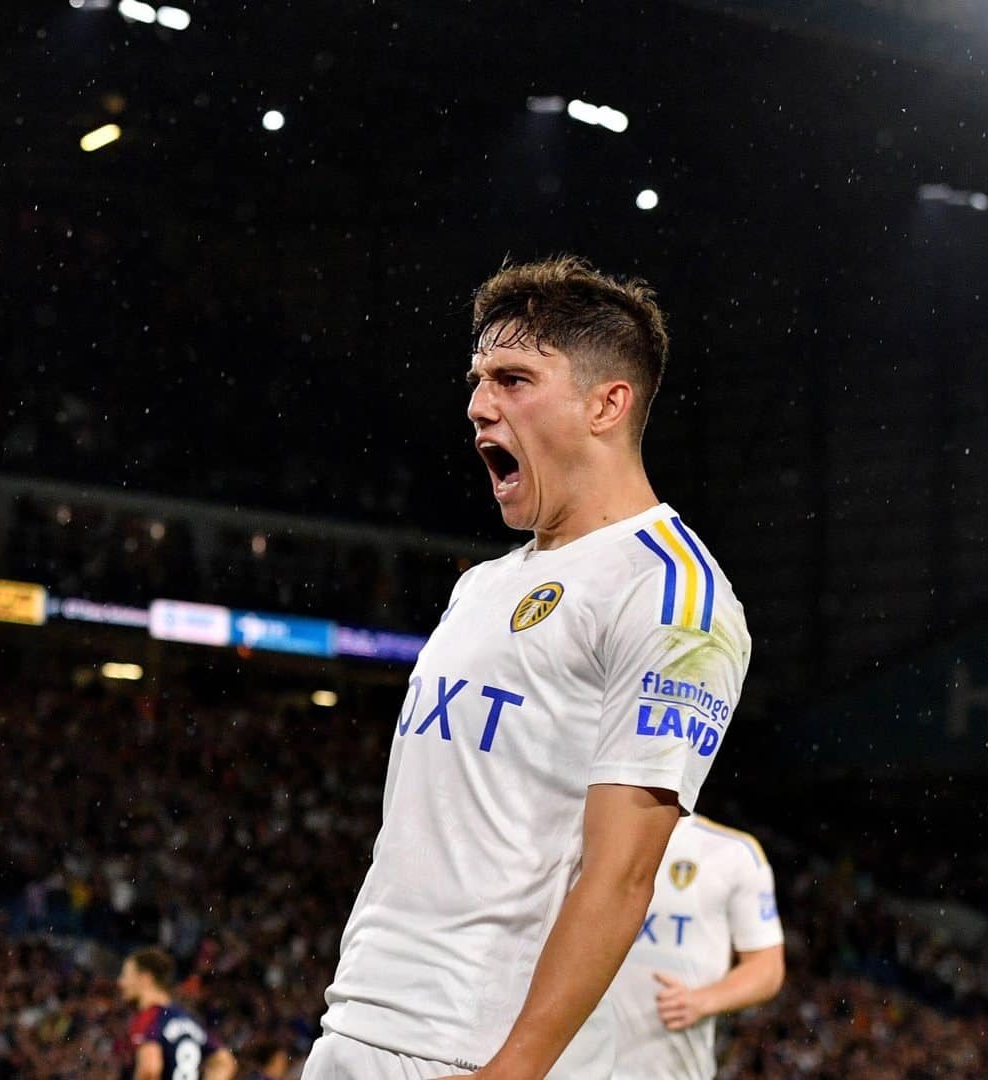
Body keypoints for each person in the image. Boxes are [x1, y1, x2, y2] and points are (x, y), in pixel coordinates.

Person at [304, 256, 752, 1080]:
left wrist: (516, 1068)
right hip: (361, 1017)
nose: (479, 405)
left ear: (605, 404)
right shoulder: (483, 584)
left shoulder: (673, 596)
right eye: (477, 379)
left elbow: (621, 877)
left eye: (514, 379)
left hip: (476, 1047)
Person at [601, 815, 784, 1079]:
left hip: (670, 1068)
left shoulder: (734, 853)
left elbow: (767, 967)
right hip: (573, 1065)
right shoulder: (583, 836)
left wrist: (703, 1000)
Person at [118, 948, 238, 1080]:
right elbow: (224, 1061)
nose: (120, 982)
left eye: (126, 976)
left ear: (145, 979)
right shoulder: (187, 1019)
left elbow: (149, 1070)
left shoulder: (149, 1018)